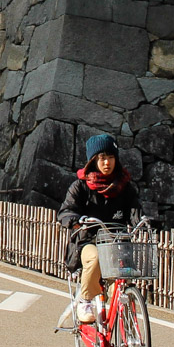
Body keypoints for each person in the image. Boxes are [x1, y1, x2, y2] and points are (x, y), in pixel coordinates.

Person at [56, 133, 143, 324]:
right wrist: (76, 220)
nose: (107, 162)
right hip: (88, 241)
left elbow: (135, 210)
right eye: (102, 158)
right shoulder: (81, 186)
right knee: (95, 258)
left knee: (123, 280)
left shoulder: (125, 187)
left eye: (111, 157)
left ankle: (124, 330)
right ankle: (85, 299)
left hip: (117, 243)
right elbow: (65, 211)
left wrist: (142, 222)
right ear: (93, 160)